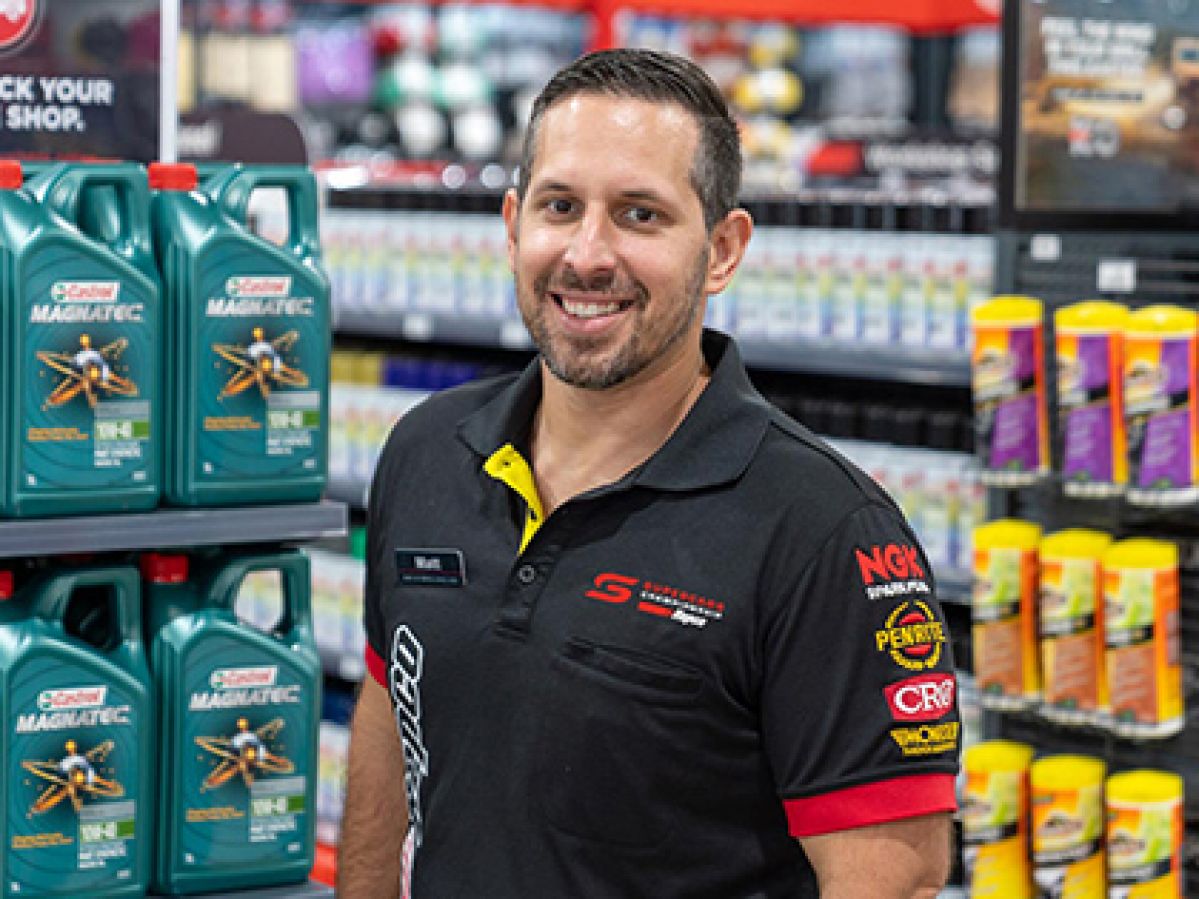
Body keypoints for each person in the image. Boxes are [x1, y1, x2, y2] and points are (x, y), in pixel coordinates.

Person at [340, 47, 961, 898]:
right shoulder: (426, 450)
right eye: (560, 206)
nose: (588, 254)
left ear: (722, 250)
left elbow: (892, 879)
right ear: (513, 225)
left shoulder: (823, 533)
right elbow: (388, 734)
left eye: (640, 215)